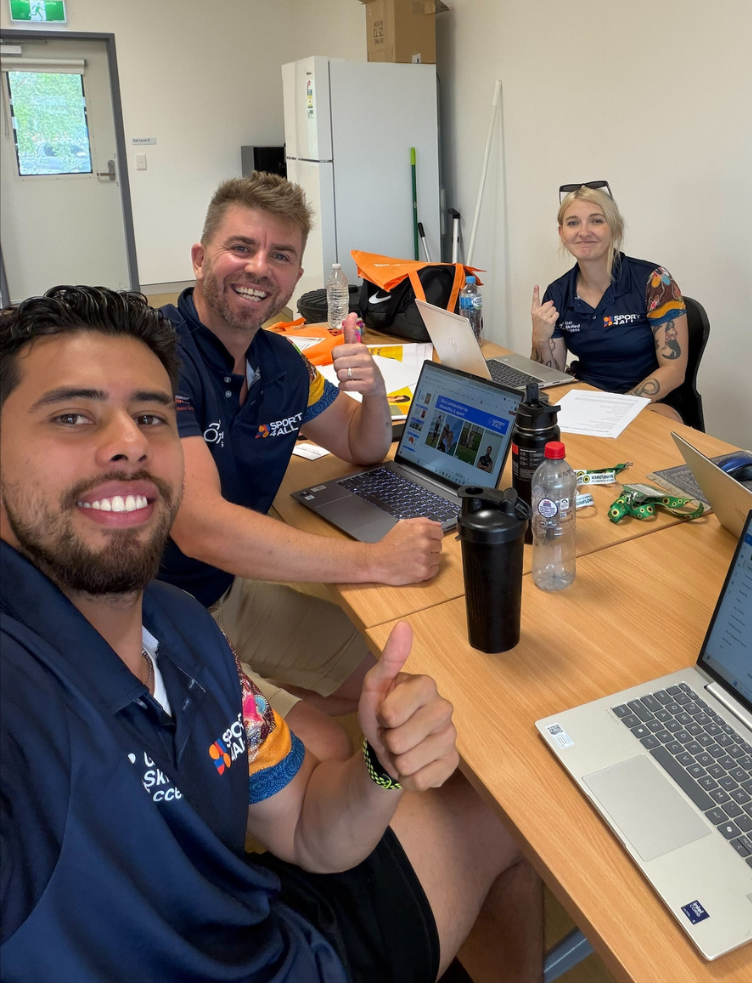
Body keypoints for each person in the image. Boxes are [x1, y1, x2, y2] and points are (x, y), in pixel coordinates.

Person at [0, 286, 543, 982]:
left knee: (497, 801)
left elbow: (309, 828)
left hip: (275, 931)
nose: (129, 444)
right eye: (73, 416)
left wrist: (380, 761)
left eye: (151, 416)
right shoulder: (21, 690)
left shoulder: (182, 633)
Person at [159, 174, 444, 759]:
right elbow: (200, 526)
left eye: (281, 256)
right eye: (242, 247)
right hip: (153, 616)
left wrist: (369, 394)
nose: (260, 268)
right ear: (199, 257)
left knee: (390, 684)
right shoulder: (158, 357)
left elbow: (360, 447)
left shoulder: (280, 363)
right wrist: (375, 560)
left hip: (227, 593)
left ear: (293, 277)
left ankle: (256, 686)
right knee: (324, 755)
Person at [531, 184, 689, 421]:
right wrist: (539, 339)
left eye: (596, 221)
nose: (584, 232)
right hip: (587, 400)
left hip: (652, 402)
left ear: (614, 228)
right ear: (562, 233)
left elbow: (674, 371)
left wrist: (617, 409)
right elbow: (550, 379)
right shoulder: (557, 292)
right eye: (573, 223)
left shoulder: (655, 281)